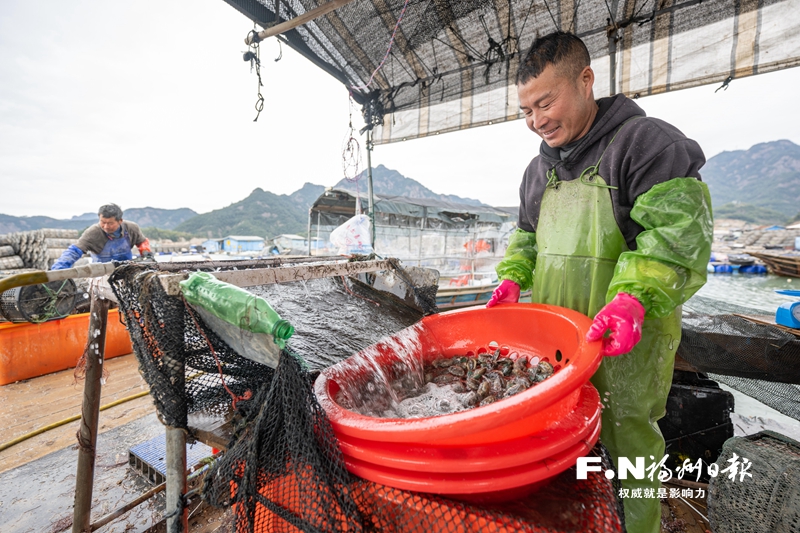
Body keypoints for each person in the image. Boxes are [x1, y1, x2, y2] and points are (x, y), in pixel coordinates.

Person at [486, 32, 713, 532]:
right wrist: (512, 278)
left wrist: (634, 298)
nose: (536, 121)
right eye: (526, 111)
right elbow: (527, 237)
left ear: (586, 81)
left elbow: (678, 236)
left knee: (628, 451)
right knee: (560, 446)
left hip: (626, 347)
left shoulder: (646, 144)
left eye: (545, 102)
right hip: (558, 347)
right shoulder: (537, 170)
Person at [51, 203, 153, 269]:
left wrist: (147, 256)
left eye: (110, 223)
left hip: (126, 270)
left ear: (120, 221)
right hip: (101, 274)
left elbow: (142, 243)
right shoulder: (93, 233)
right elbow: (74, 251)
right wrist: (58, 269)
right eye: (102, 222)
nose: (106, 226)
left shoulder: (131, 228)